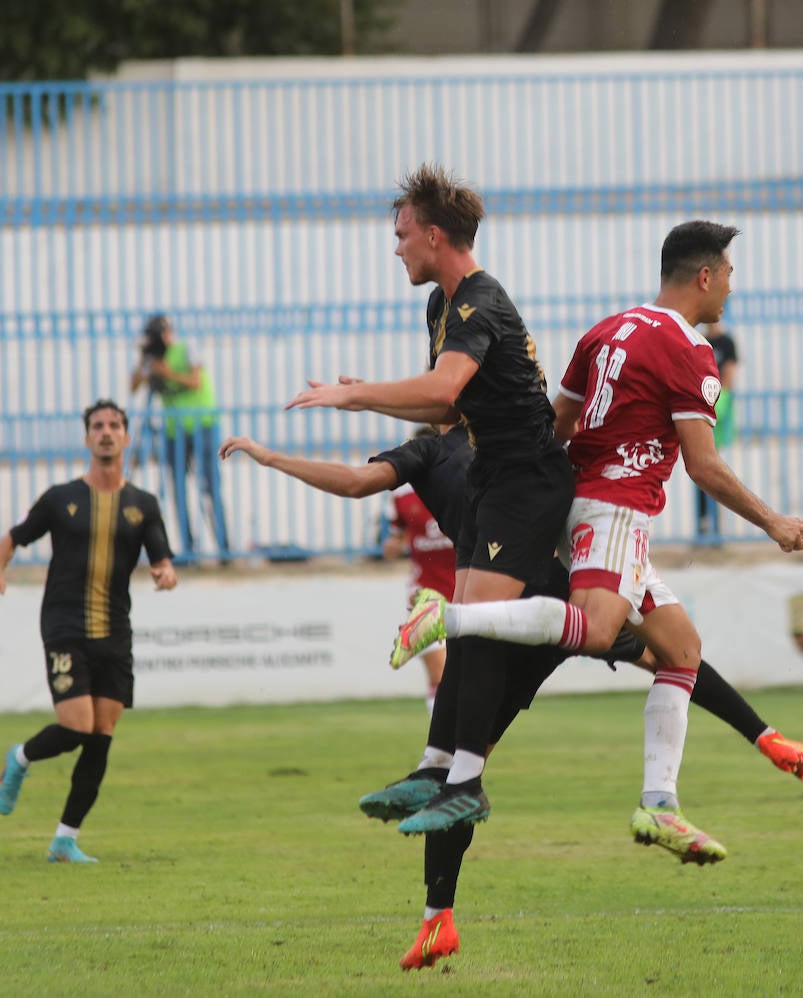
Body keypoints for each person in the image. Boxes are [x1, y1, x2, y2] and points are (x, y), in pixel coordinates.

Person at [220, 423, 803, 970]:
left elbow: (677, 657)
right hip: (508, 623)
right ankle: (438, 919)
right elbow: (356, 479)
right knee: (457, 772)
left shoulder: (522, 435)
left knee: (463, 765)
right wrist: (276, 455)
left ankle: (439, 911)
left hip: (550, 609)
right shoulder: (435, 446)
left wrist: (763, 735)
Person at [392, 220, 803, 864]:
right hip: (616, 509)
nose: (730, 284)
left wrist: (524, 499)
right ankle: (447, 617)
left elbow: (555, 425)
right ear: (704, 276)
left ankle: (660, 805)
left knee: (681, 647)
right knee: (593, 631)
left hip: (579, 498)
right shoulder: (692, 352)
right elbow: (702, 464)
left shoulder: (608, 330)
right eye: (727, 272)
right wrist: (772, 521)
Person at [283, 164, 576, 850]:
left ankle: (464, 785)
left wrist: (357, 396)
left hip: (529, 484)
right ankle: (436, 768)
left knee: (476, 629)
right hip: (494, 484)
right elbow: (448, 408)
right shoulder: (441, 306)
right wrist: (377, 392)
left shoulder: (479, 300)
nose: (396, 247)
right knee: (466, 630)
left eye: (402, 233)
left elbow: (443, 394)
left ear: (434, 235)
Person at [0, 399, 177, 862]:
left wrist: (167, 575)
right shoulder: (59, 498)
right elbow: (13, 537)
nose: (106, 432)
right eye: (98, 426)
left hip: (114, 630)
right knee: (77, 725)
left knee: (102, 734)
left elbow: (162, 561)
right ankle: (20, 758)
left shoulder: (143, 505)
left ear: (126, 437)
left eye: (114, 425)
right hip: (65, 625)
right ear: (87, 438)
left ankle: (65, 839)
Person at [129, 314, 230, 562]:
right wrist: (145, 362)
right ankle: (188, 550)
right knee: (178, 491)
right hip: (174, 431)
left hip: (202, 425)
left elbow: (195, 381)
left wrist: (167, 372)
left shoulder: (187, 349)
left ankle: (225, 549)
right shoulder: (153, 358)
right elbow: (133, 387)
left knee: (210, 487)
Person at [383, 428, 456, 715]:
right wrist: (392, 545)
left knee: (461, 676)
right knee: (439, 673)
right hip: (424, 593)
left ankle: (459, 749)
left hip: (466, 589)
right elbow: (395, 538)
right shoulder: (402, 496)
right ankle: (441, 750)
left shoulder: (460, 483)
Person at [694, 321, 739, 543]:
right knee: (700, 462)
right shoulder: (699, 340)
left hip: (718, 405)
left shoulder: (726, 342)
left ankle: (714, 523)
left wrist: (720, 402)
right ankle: (704, 521)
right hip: (699, 405)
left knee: (712, 462)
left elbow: (729, 375)